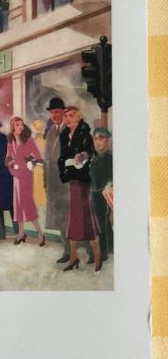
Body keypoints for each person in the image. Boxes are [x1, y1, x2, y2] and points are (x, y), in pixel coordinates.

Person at [57, 105, 101, 271]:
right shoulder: (64, 135)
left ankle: (97, 257)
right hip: (72, 180)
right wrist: (65, 167)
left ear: (78, 117)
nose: (68, 118)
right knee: (75, 218)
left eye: (71, 115)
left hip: (82, 181)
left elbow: (91, 154)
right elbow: (62, 158)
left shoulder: (85, 134)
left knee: (85, 217)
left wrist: (83, 157)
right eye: (66, 116)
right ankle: (74, 258)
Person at [6, 116, 45, 245]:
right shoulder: (10, 141)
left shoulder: (29, 140)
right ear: (13, 127)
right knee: (17, 205)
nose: (20, 127)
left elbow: (38, 158)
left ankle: (40, 233)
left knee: (28, 204)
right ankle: (21, 233)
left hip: (27, 177)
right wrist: (12, 167)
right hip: (16, 177)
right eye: (17, 125)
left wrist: (30, 164)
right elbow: (7, 159)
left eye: (22, 124)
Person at [42, 96, 70, 264]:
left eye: (57, 112)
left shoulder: (70, 129)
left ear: (63, 112)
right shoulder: (52, 131)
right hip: (53, 182)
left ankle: (74, 251)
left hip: (66, 183)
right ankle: (67, 251)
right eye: (52, 113)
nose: (55, 115)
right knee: (60, 219)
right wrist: (45, 181)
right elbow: (46, 159)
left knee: (70, 218)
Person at [90, 127, 113, 260]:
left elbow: (113, 178)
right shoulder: (94, 159)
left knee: (102, 222)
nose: (98, 142)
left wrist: (110, 185)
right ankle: (109, 247)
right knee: (99, 222)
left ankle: (103, 251)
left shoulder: (110, 159)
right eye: (96, 138)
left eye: (101, 138)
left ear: (107, 140)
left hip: (104, 194)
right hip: (94, 193)